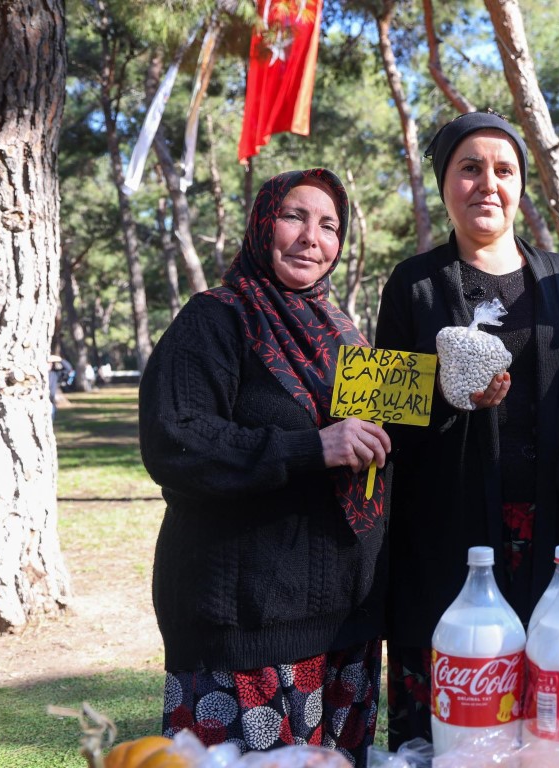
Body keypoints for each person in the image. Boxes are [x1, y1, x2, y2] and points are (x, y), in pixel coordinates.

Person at [139, 169, 391, 765]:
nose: (311, 238)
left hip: (344, 627)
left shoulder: (344, 333)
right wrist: (311, 448)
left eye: (329, 225)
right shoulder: (215, 319)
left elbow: (376, 452)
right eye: (294, 216)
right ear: (261, 224)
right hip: (246, 628)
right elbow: (177, 440)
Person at [374, 110, 559, 749]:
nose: (487, 184)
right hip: (445, 535)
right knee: (455, 724)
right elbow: (382, 415)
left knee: (550, 716)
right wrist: (448, 397)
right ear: (444, 182)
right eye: (469, 168)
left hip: (555, 534)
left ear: (521, 184)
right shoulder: (414, 284)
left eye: (503, 170)